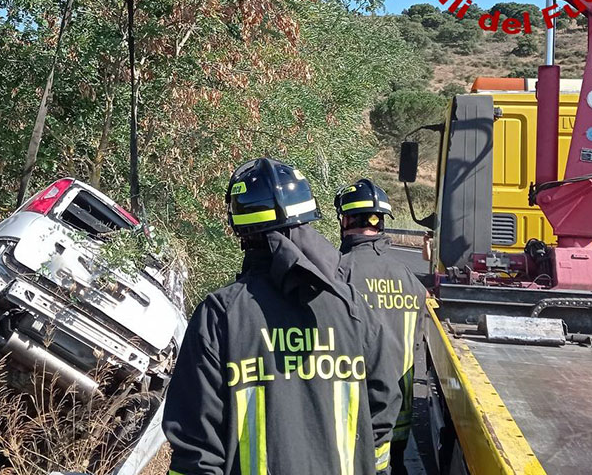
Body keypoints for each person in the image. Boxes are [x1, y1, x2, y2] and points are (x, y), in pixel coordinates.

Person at [163, 158, 401, 475]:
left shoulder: (221, 315)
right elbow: (383, 409)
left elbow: (196, 447)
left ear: (241, 229)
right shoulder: (352, 308)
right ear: (308, 215)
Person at [335, 179, 428, 475]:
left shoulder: (338, 272)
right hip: (400, 413)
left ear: (346, 219)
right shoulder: (410, 280)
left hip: (360, 416)